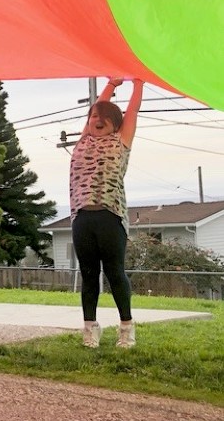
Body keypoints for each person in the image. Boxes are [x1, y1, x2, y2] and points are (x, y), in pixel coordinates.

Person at [70, 78, 143, 349]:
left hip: (111, 217)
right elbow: (96, 108)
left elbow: (132, 112)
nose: (97, 121)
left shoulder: (120, 141)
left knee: (115, 273)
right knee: (89, 275)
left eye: (104, 118)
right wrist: (111, 85)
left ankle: (126, 328)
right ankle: (90, 328)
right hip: (82, 218)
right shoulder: (82, 141)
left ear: (115, 124)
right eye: (93, 117)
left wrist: (138, 84)